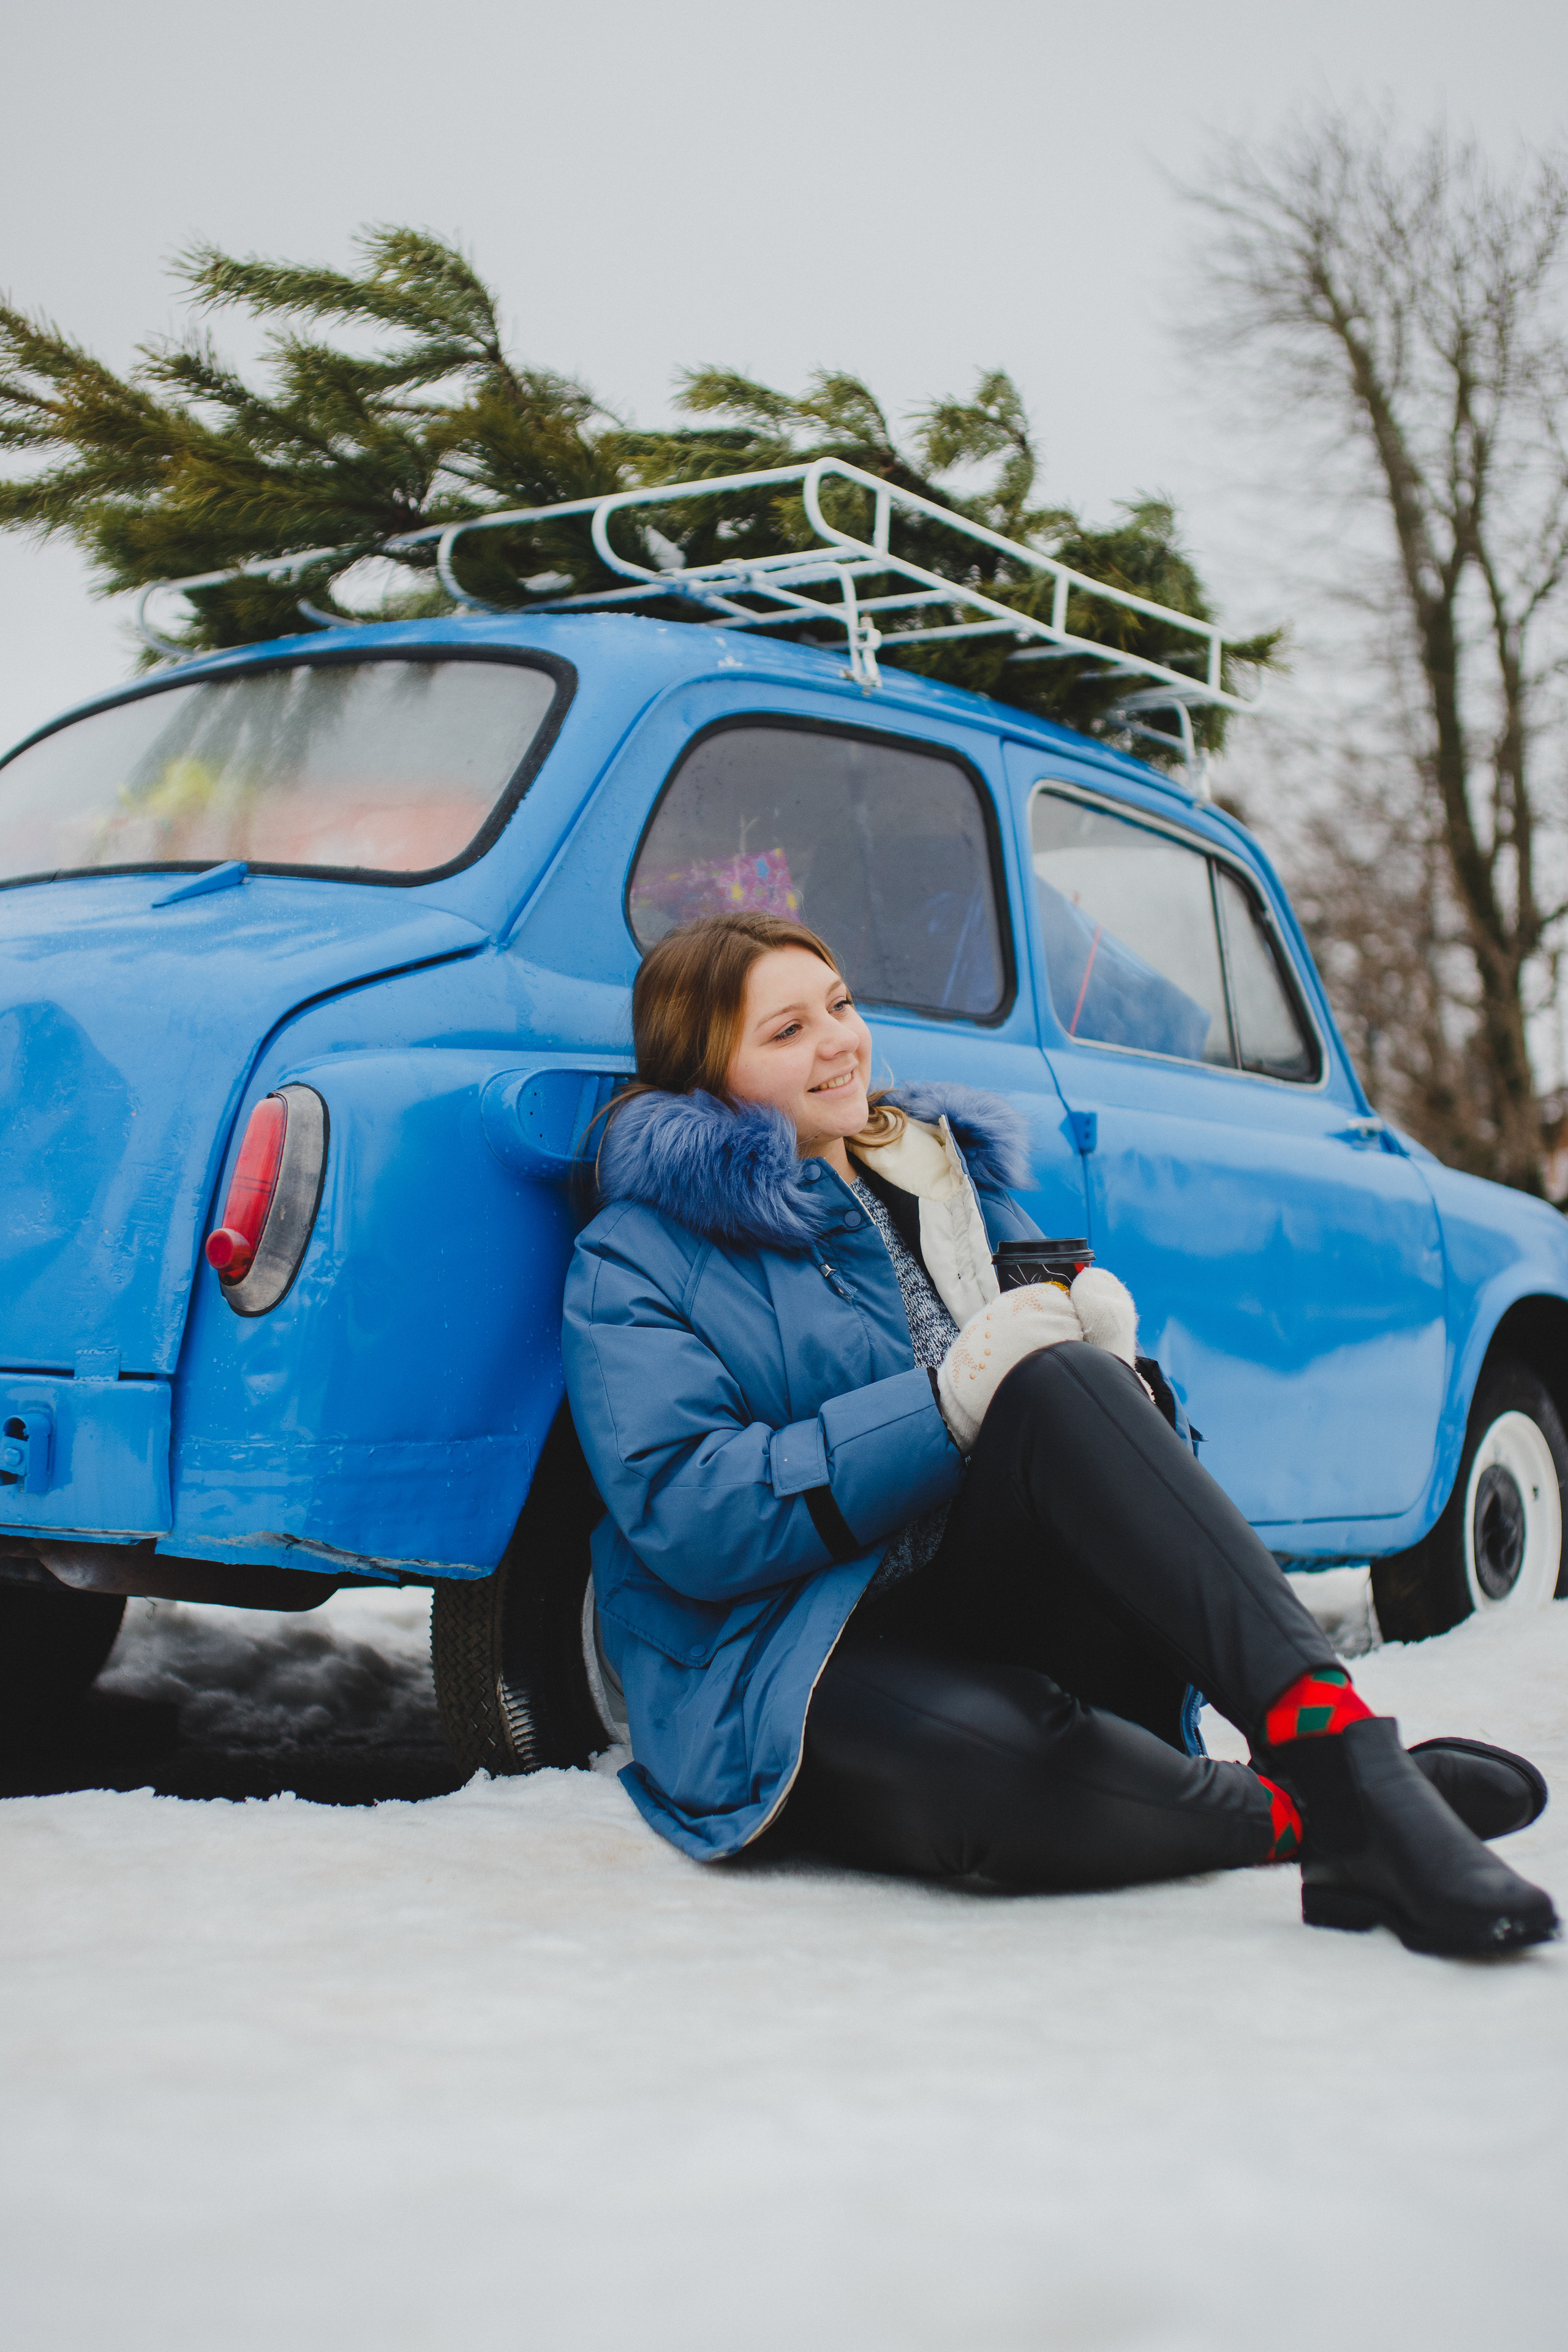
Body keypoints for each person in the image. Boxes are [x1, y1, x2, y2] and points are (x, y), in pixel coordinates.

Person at [562, 912, 1556, 1958]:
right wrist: (942, 1408)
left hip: (993, 1590)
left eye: (842, 1006)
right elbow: (691, 1516)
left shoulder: (938, 1183)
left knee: (1063, 1378)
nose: (841, 1040)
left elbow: (1056, 1420)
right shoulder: (635, 1258)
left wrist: (1123, 1379)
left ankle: (1335, 1743)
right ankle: (1331, 1813)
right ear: (704, 1074)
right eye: (787, 1031)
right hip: (791, 1648)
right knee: (999, 1772)